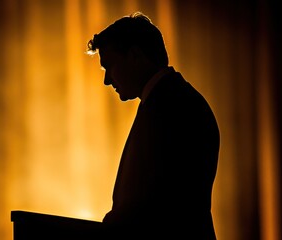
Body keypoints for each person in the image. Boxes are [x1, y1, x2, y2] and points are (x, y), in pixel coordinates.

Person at [87, 11, 220, 239]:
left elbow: (153, 203)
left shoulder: (172, 106)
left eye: (109, 66)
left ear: (136, 55)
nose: (107, 80)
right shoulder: (174, 100)